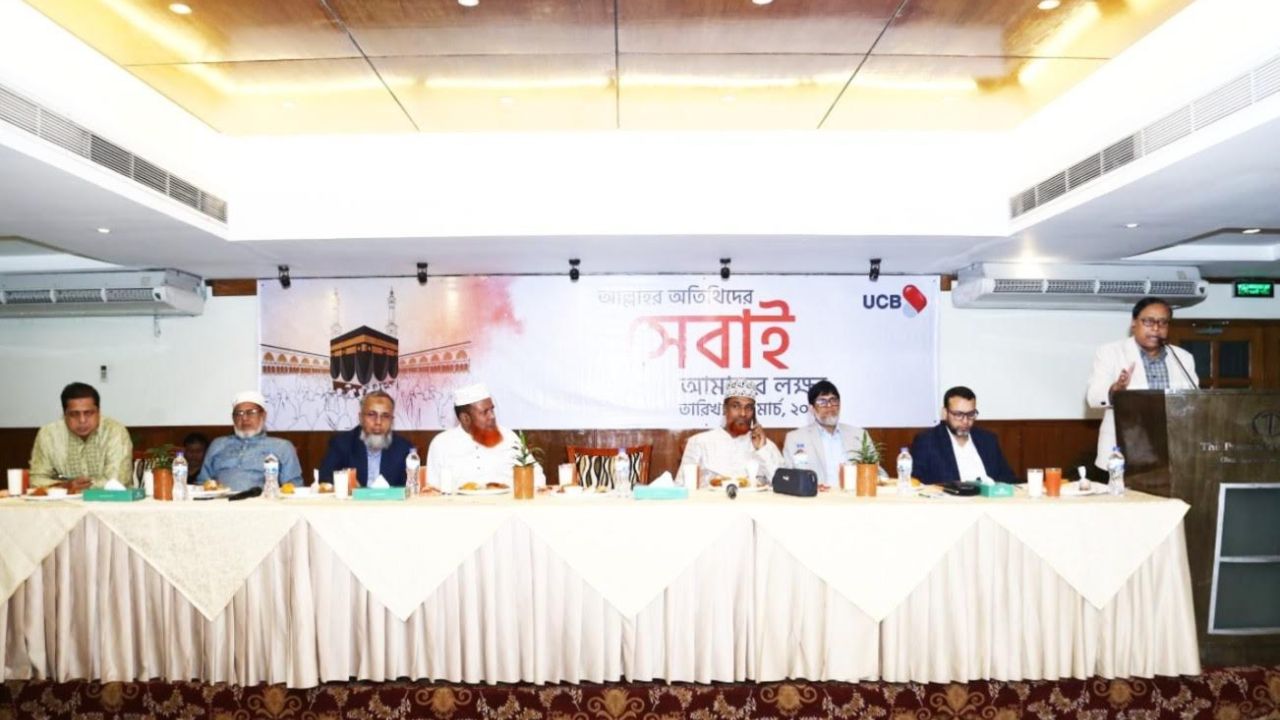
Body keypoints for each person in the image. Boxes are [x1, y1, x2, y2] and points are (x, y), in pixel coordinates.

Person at [1087, 296, 1198, 470]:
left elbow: (1194, 402)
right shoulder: (1110, 353)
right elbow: (1093, 398)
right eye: (1148, 321)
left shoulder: (1183, 358)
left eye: (1163, 322)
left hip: (1171, 449)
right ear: (1134, 322)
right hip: (1125, 448)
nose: (1156, 328)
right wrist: (1116, 389)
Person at [425, 383, 545, 493]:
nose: (492, 416)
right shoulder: (441, 444)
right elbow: (433, 489)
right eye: (485, 412)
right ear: (465, 419)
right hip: (460, 507)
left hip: (504, 506)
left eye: (492, 409)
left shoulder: (508, 437)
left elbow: (536, 476)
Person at [680, 378, 783, 487]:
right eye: (736, 406)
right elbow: (681, 486)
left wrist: (762, 450)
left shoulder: (766, 446)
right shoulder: (699, 442)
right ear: (725, 409)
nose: (743, 413)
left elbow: (783, 485)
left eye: (748, 408)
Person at [29, 382, 132, 490]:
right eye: (74, 414)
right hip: (63, 500)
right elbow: (36, 481)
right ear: (64, 415)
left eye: (88, 413)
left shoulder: (114, 432)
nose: (82, 420)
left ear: (98, 412)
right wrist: (65, 486)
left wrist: (76, 488)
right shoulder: (48, 435)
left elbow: (117, 481)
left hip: (111, 499)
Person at [197, 390, 302, 492]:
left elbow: (293, 487)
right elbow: (202, 483)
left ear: (263, 415)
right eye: (239, 413)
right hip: (220, 502)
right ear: (233, 418)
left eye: (251, 412)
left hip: (262, 502)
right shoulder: (218, 445)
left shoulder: (282, 447)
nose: (244, 418)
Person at [910, 386, 1015, 484]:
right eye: (958, 414)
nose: (965, 421)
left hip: (989, 497)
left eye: (971, 414)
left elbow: (1007, 478)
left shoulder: (988, 440)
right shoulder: (927, 441)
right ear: (945, 413)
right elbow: (914, 481)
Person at [782, 380, 875, 488]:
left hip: (853, 495)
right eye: (822, 402)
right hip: (816, 497)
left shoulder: (860, 435)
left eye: (833, 400)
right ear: (812, 408)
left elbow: (877, 473)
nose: (829, 406)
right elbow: (788, 478)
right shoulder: (795, 438)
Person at [319, 390, 415, 487]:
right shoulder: (342, 444)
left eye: (385, 416)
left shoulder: (403, 449)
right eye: (371, 414)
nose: (378, 422)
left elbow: (411, 484)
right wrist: (344, 482)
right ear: (360, 417)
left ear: (392, 420)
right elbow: (325, 478)